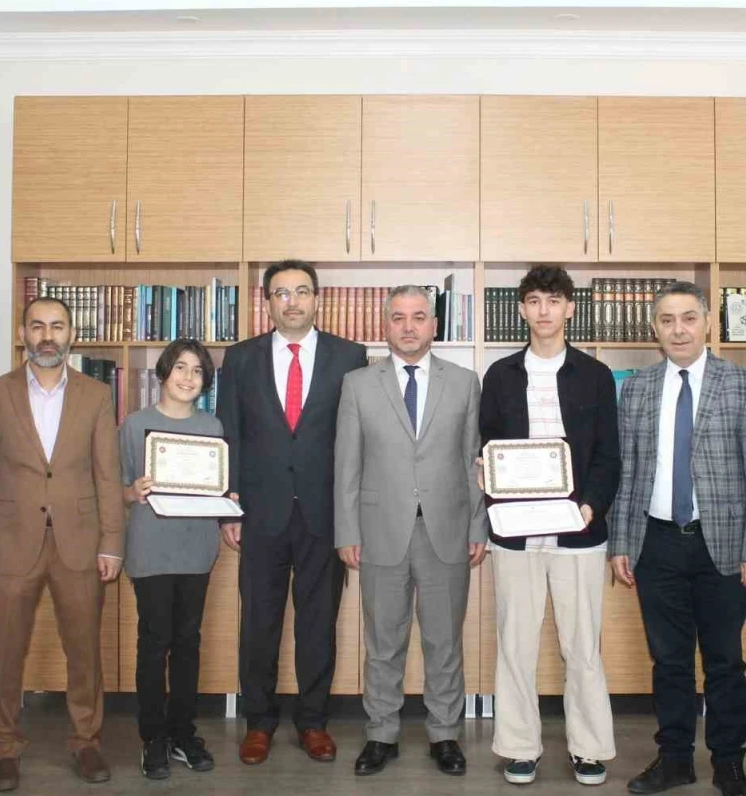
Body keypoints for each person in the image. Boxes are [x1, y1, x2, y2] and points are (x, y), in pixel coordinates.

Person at [608, 280, 746, 796]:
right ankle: (675, 758)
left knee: (725, 661)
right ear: (654, 329)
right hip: (655, 543)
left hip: (722, 545)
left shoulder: (742, 384)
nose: (678, 329)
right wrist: (621, 542)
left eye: (688, 318)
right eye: (667, 320)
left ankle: (729, 763)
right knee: (669, 661)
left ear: (708, 323)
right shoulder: (637, 387)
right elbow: (627, 470)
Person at [0, 296, 125, 792]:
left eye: (57, 326)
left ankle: (86, 741)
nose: (47, 336)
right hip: (10, 544)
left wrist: (112, 542)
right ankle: (4, 748)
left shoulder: (96, 395)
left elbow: (107, 475)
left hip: (81, 542)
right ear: (23, 333)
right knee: (6, 652)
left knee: (84, 651)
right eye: (37, 326)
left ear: (72, 334)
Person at [215, 260, 367, 765]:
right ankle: (258, 723)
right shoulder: (241, 358)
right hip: (259, 513)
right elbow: (230, 432)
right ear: (268, 302)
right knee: (259, 624)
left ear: (317, 299)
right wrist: (229, 506)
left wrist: (353, 515)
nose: (293, 301)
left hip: (325, 514)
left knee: (318, 625)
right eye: (282, 293)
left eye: (302, 291)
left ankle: (313, 722)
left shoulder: (351, 356)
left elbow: (356, 439)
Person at [334, 285, 487, 778]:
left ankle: (445, 734)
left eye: (419, 316)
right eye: (398, 317)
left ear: (434, 326)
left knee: (444, 641)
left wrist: (478, 524)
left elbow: (472, 459)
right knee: (383, 641)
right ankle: (381, 733)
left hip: (447, 530)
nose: (408, 326)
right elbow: (347, 465)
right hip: (379, 530)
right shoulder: (358, 384)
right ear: (385, 325)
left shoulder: (464, 382)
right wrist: (347, 530)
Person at [479, 265, 620, 786]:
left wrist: (591, 506)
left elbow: (609, 454)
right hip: (514, 533)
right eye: (535, 301)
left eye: (553, 301)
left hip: (578, 531)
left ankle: (589, 747)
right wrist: (486, 472)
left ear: (569, 309)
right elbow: (487, 444)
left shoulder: (595, 375)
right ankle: (519, 747)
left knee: (582, 646)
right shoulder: (500, 375)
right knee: (515, 644)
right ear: (522, 309)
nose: (544, 310)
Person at [120, 339, 225, 780]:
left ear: (205, 382)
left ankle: (183, 733)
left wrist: (227, 498)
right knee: (153, 642)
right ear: (163, 372)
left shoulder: (213, 427)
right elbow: (117, 487)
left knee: (187, 643)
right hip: (151, 549)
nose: (187, 377)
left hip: (197, 549)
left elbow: (217, 486)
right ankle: (153, 738)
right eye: (180, 367)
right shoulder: (135, 424)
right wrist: (131, 492)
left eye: (197, 371)